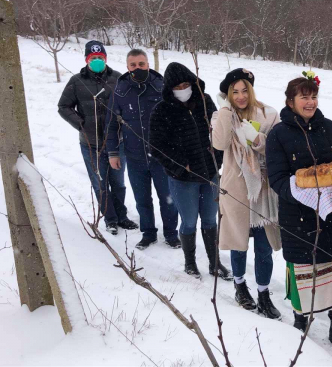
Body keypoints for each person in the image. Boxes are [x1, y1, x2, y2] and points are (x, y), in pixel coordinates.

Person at [265, 71, 332, 352]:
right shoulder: (278, 135)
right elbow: (278, 180)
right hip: (299, 217)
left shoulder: (328, 126)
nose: (310, 102)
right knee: (305, 270)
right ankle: (300, 322)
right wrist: (305, 190)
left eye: (314, 96)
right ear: (290, 101)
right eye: (304, 97)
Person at [148, 62, 231, 280]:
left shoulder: (206, 102)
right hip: (183, 179)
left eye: (186, 84)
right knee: (189, 222)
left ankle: (214, 263)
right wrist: (179, 164)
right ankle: (190, 263)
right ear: (170, 89)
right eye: (177, 86)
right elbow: (156, 146)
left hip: (210, 174)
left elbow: (220, 133)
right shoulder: (162, 110)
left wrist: (218, 158)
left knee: (211, 220)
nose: (183, 89)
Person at [211, 68, 282, 318]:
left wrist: (257, 139)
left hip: (263, 190)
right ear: (228, 94)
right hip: (237, 189)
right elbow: (219, 144)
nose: (240, 96)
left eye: (244, 90)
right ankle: (240, 286)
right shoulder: (222, 116)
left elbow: (276, 148)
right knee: (238, 243)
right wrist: (225, 111)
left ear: (251, 90)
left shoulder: (269, 114)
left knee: (263, 247)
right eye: (234, 92)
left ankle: (263, 293)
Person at [58, 40, 137, 235]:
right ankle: (110, 218)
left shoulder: (118, 78)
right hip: (90, 144)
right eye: (93, 58)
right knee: (100, 182)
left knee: (118, 182)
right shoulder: (76, 81)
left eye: (100, 58)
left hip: (116, 144)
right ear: (87, 59)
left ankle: (122, 216)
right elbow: (63, 107)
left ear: (105, 58)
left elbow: (129, 104)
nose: (97, 61)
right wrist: (81, 124)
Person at [105, 49, 179, 250]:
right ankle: (148, 234)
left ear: (148, 64)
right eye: (133, 65)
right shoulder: (120, 90)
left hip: (162, 157)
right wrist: (113, 153)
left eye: (141, 64)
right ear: (127, 67)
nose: (137, 68)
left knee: (168, 198)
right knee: (142, 199)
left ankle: (172, 234)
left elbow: (176, 121)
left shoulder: (162, 87)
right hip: (135, 156)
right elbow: (111, 124)